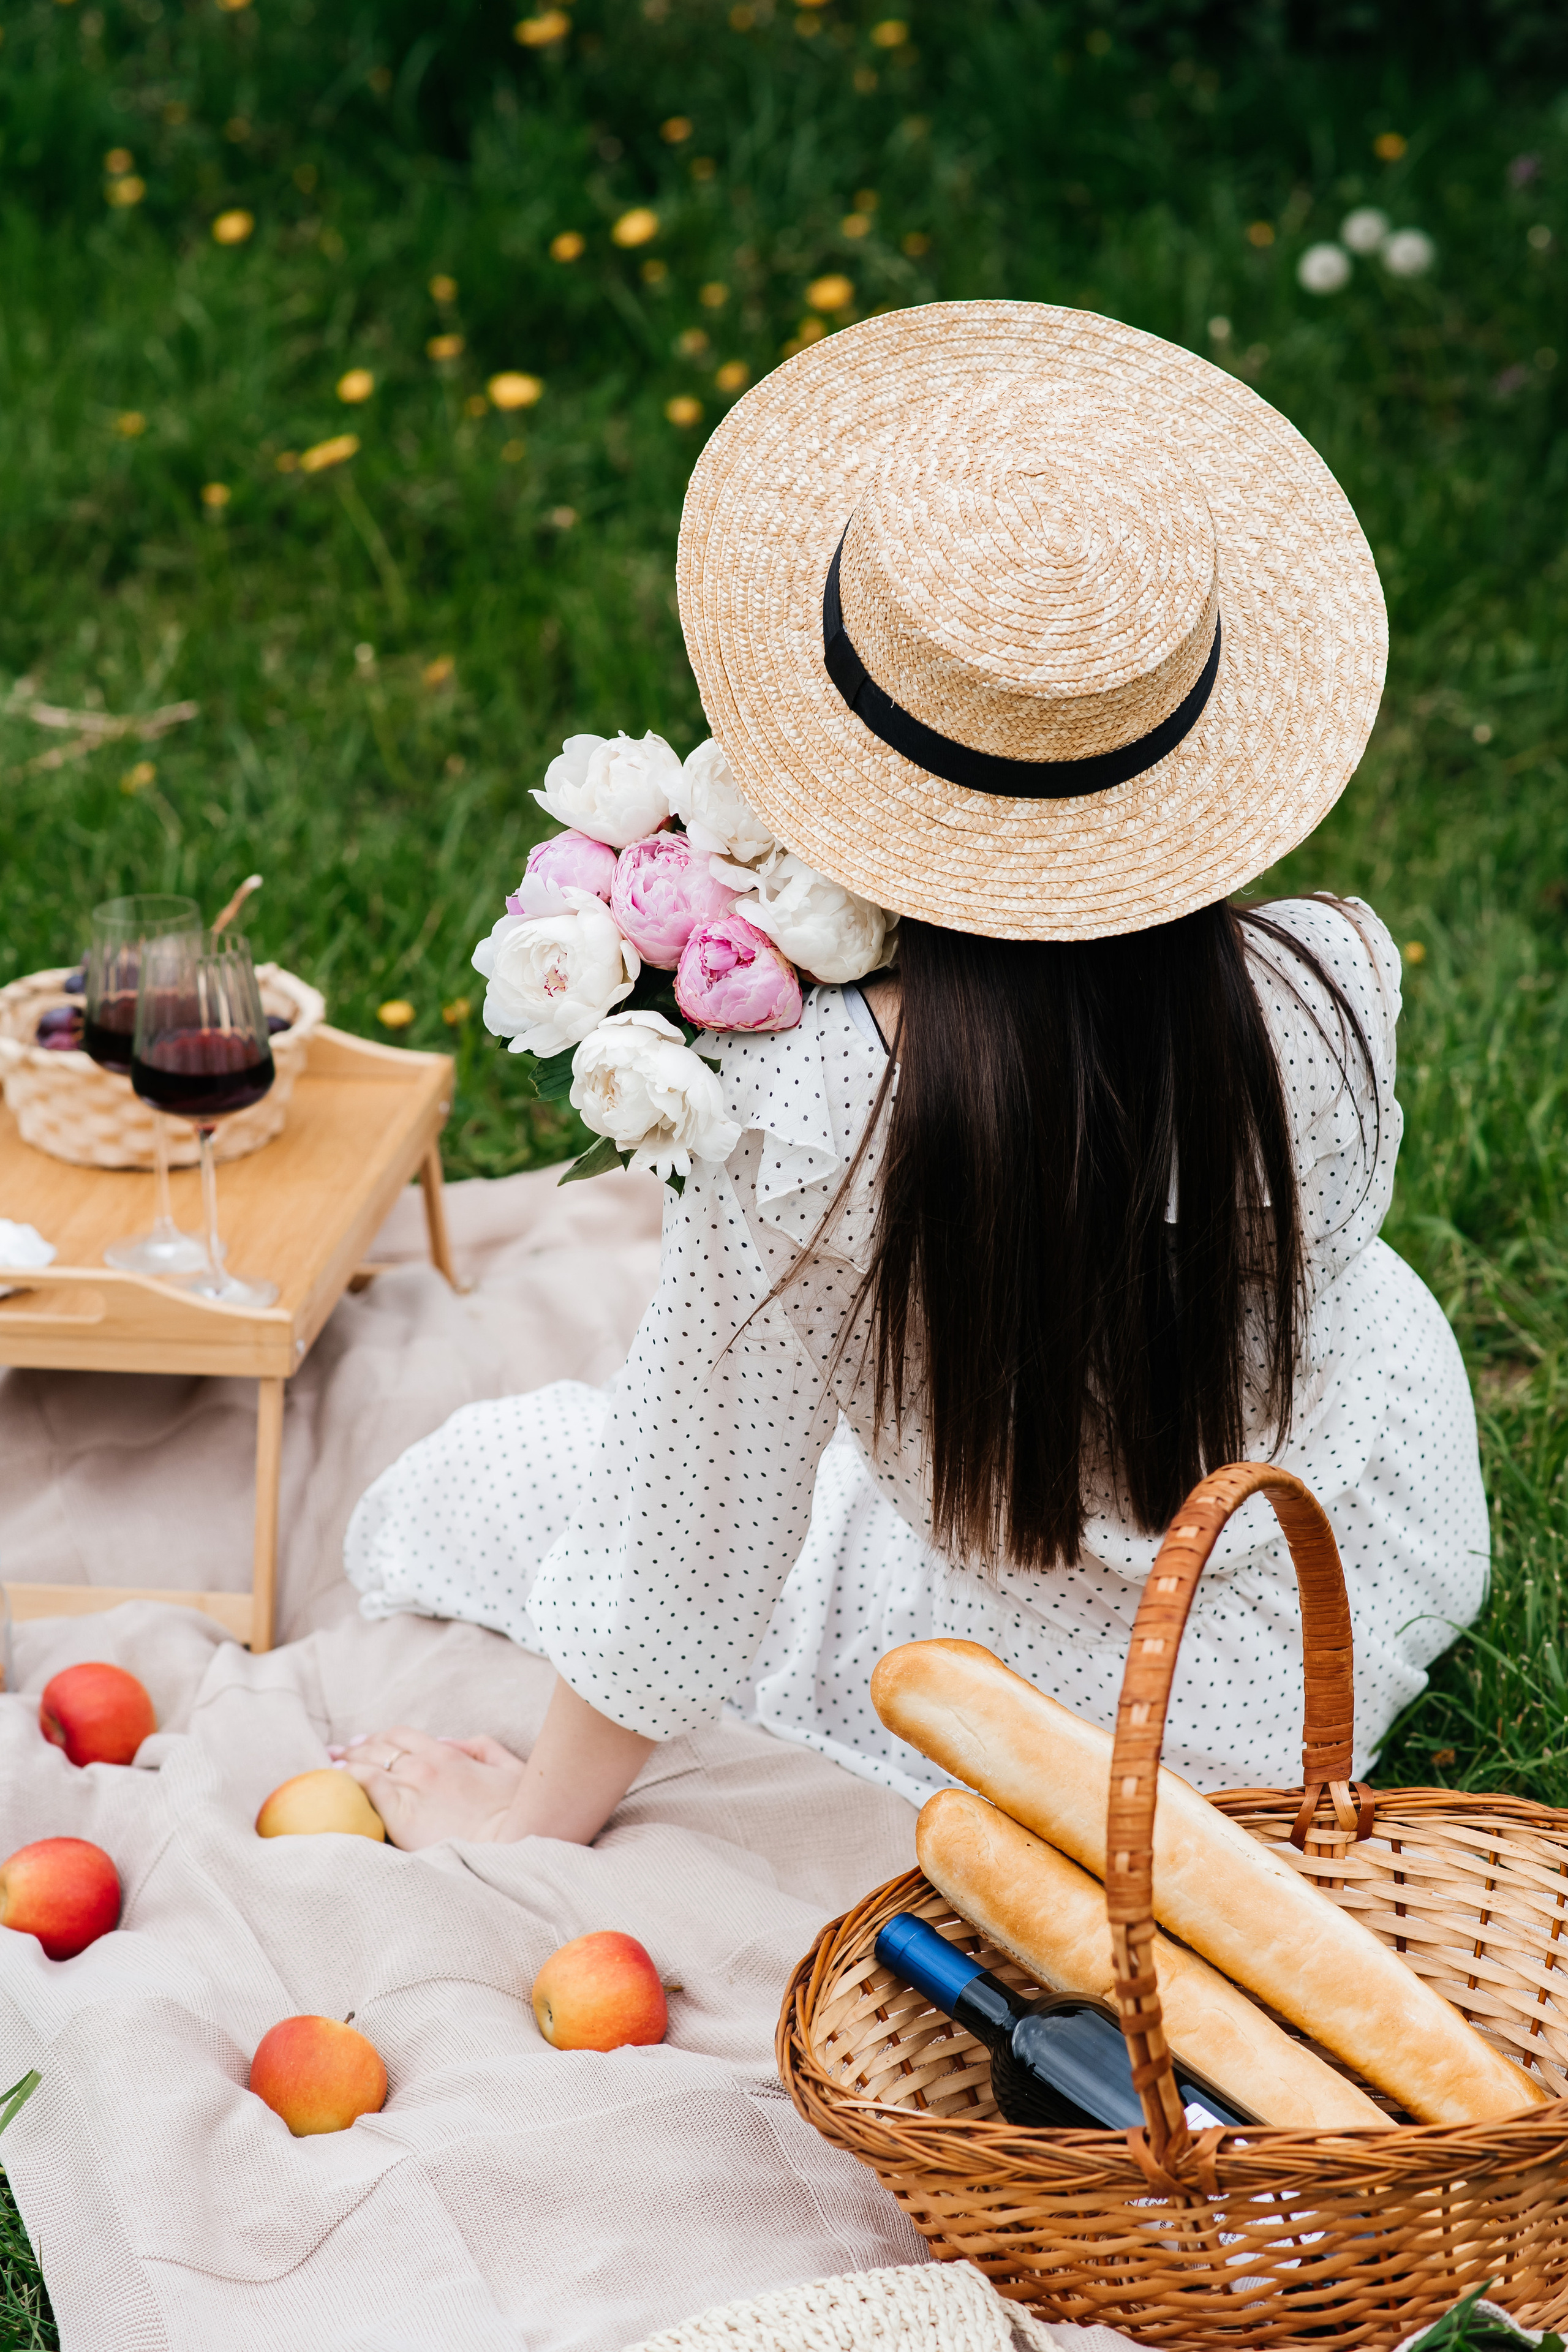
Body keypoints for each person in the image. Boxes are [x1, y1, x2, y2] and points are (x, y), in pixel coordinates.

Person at [333, 300, 1487, 1851]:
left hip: (1032, 1666)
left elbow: (696, 1520)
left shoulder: (812, 1100)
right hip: (1319, 1571)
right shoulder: (1328, 974)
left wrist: (535, 1818)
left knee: (460, 1487)